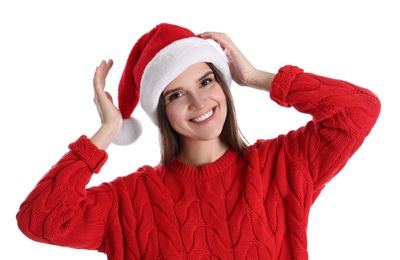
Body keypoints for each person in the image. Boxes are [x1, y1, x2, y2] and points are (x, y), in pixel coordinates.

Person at [16, 23, 381, 260]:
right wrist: (108, 130)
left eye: (206, 82)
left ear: (223, 83)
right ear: (161, 113)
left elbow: (359, 110)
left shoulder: (281, 167)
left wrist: (256, 77)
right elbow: (39, 219)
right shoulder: (127, 202)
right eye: (175, 95)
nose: (198, 103)